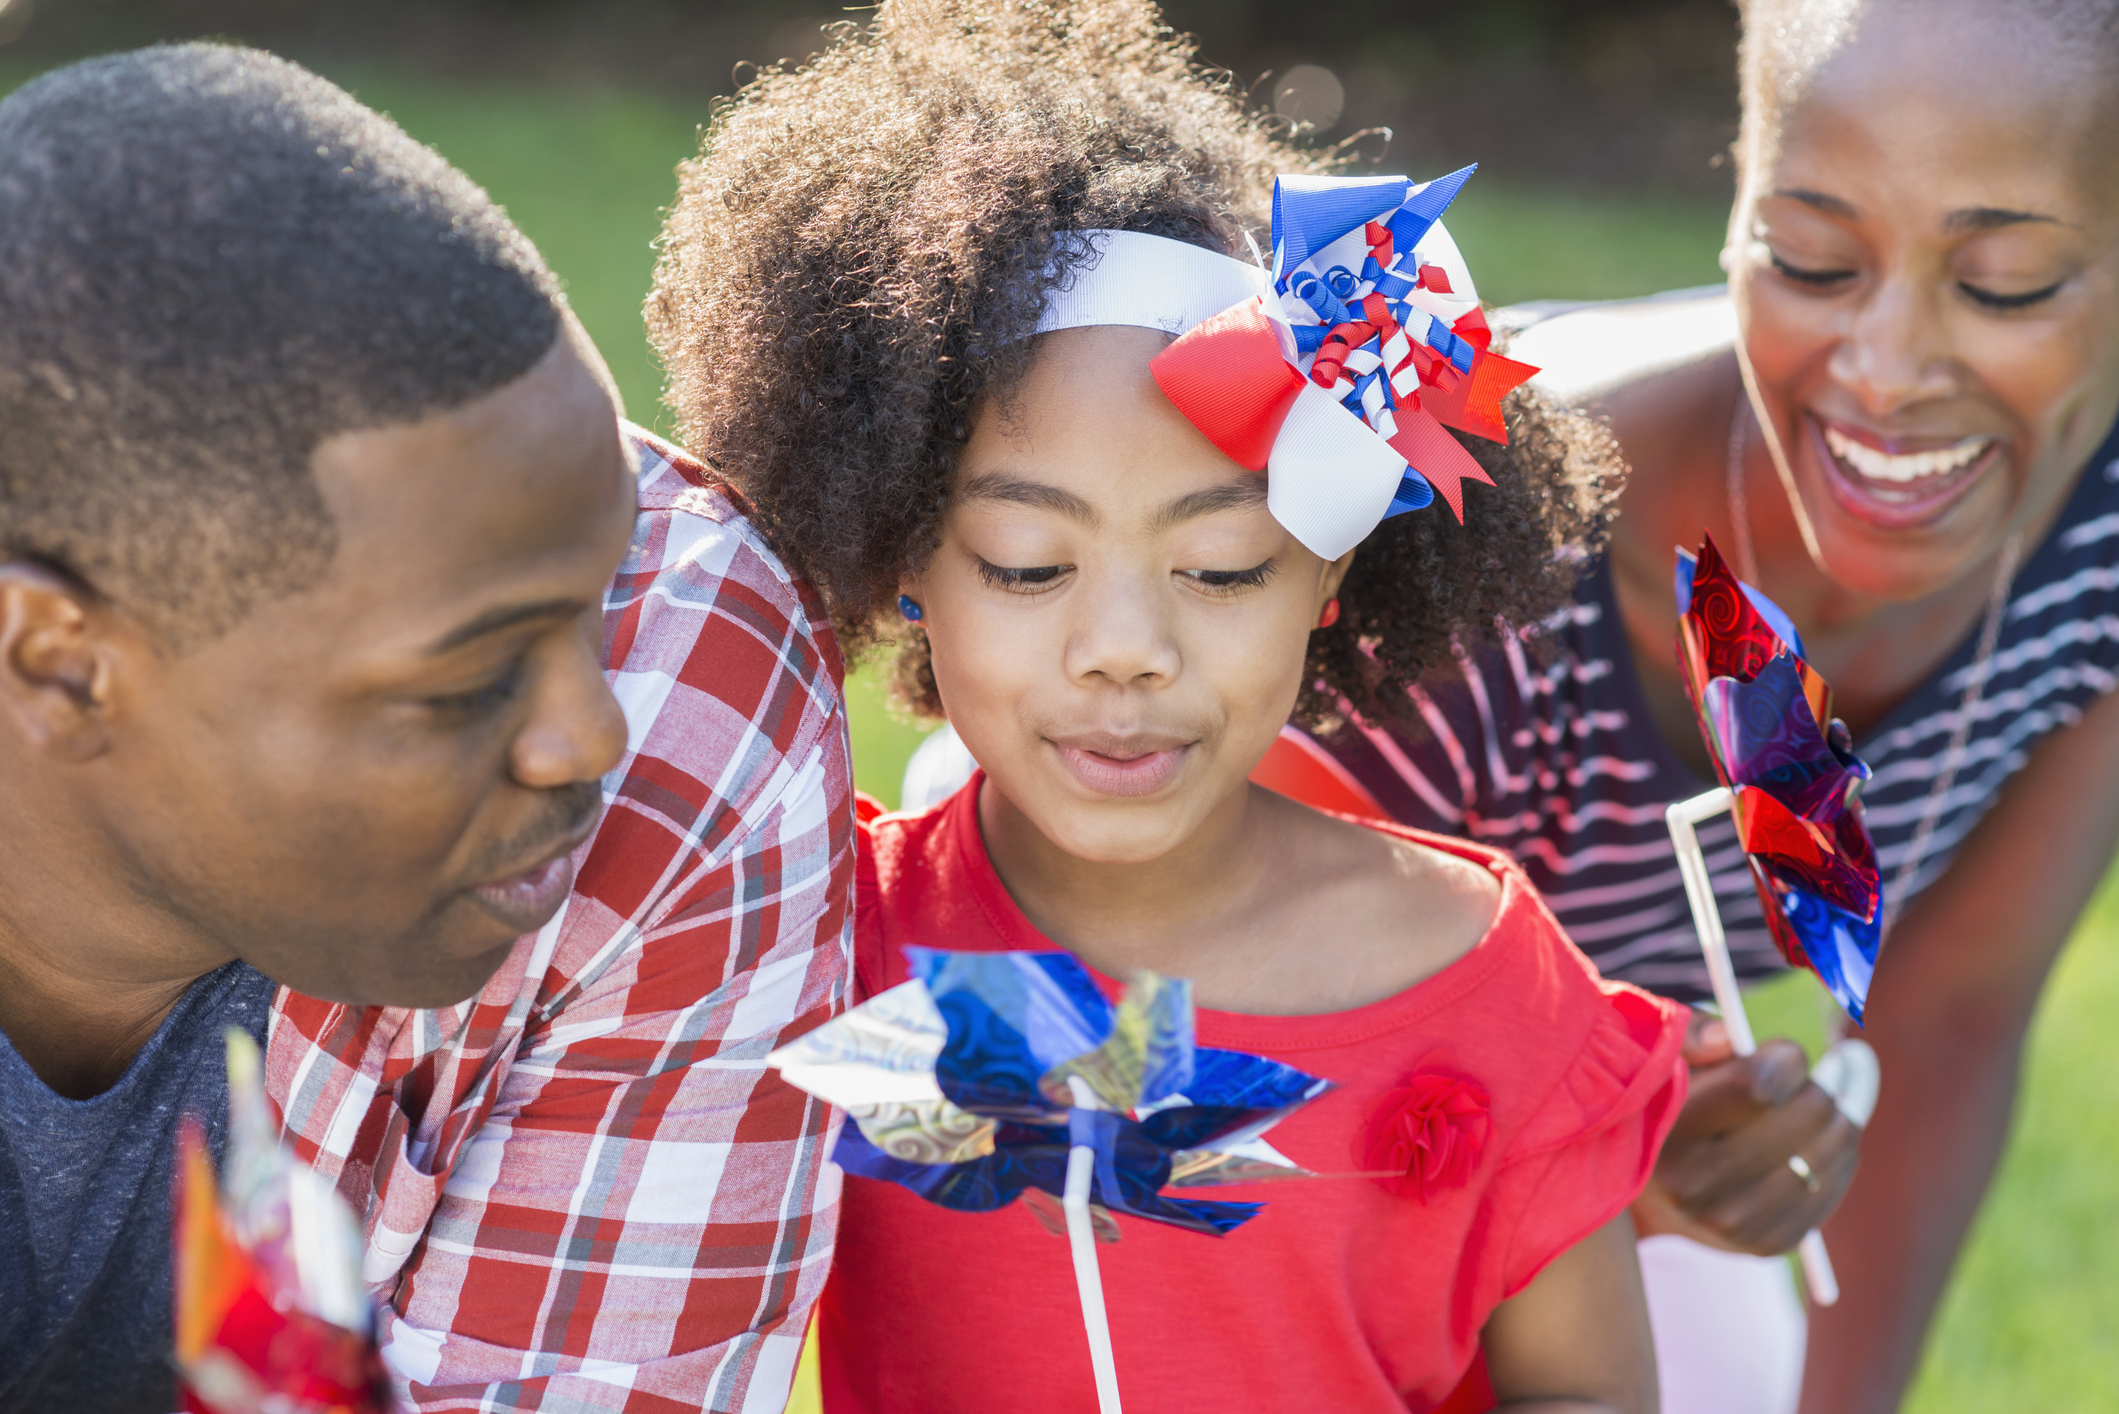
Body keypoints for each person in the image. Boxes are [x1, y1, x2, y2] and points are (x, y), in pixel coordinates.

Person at [647, 4, 1691, 1410]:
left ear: (1330, 570)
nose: (1124, 649)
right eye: (1026, 562)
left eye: (1218, 565)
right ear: (904, 563)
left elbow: (1590, 1387)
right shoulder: (814, 939)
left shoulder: (1492, 986)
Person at [1278, 1, 2119, 1410]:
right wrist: (1593, 1161)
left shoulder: (2097, 555)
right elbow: (1232, 1053)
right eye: (1809, 259)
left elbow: (1950, 1018)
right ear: (1733, 206)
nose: (1890, 369)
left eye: (2010, 282)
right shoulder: (1468, 551)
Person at [0, 47, 849, 1414]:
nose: (590, 734)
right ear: (61, 663)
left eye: (592, 592)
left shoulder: (689, 680)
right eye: (460, 687)